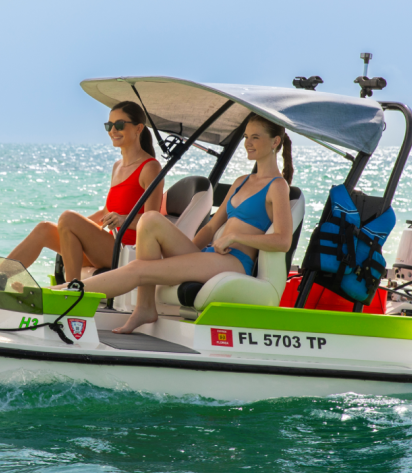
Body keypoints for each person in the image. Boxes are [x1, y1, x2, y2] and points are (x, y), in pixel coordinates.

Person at [86, 113, 294, 334]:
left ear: (275, 142)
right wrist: (191, 253)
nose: (248, 144)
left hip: (235, 261)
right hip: (211, 255)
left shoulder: (278, 186)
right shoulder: (241, 182)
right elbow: (211, 228)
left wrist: (235, 237)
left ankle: (65, 291)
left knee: (139, 269)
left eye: (255, 137)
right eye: (245, 137)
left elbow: (283, 240)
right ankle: (145, 306)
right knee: (149, 219)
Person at [5, 101, 163, 283]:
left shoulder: (150, 167)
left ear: (138, 128)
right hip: (109, 247)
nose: (113, 130)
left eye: (119, 125)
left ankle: (72, 290)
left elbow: (153, 221)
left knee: (68, 217)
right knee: (45, 229)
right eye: (109, 126)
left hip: (127, 252)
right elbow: (106, 213)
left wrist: (122, 219)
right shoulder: (117, 166)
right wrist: (74, 227)